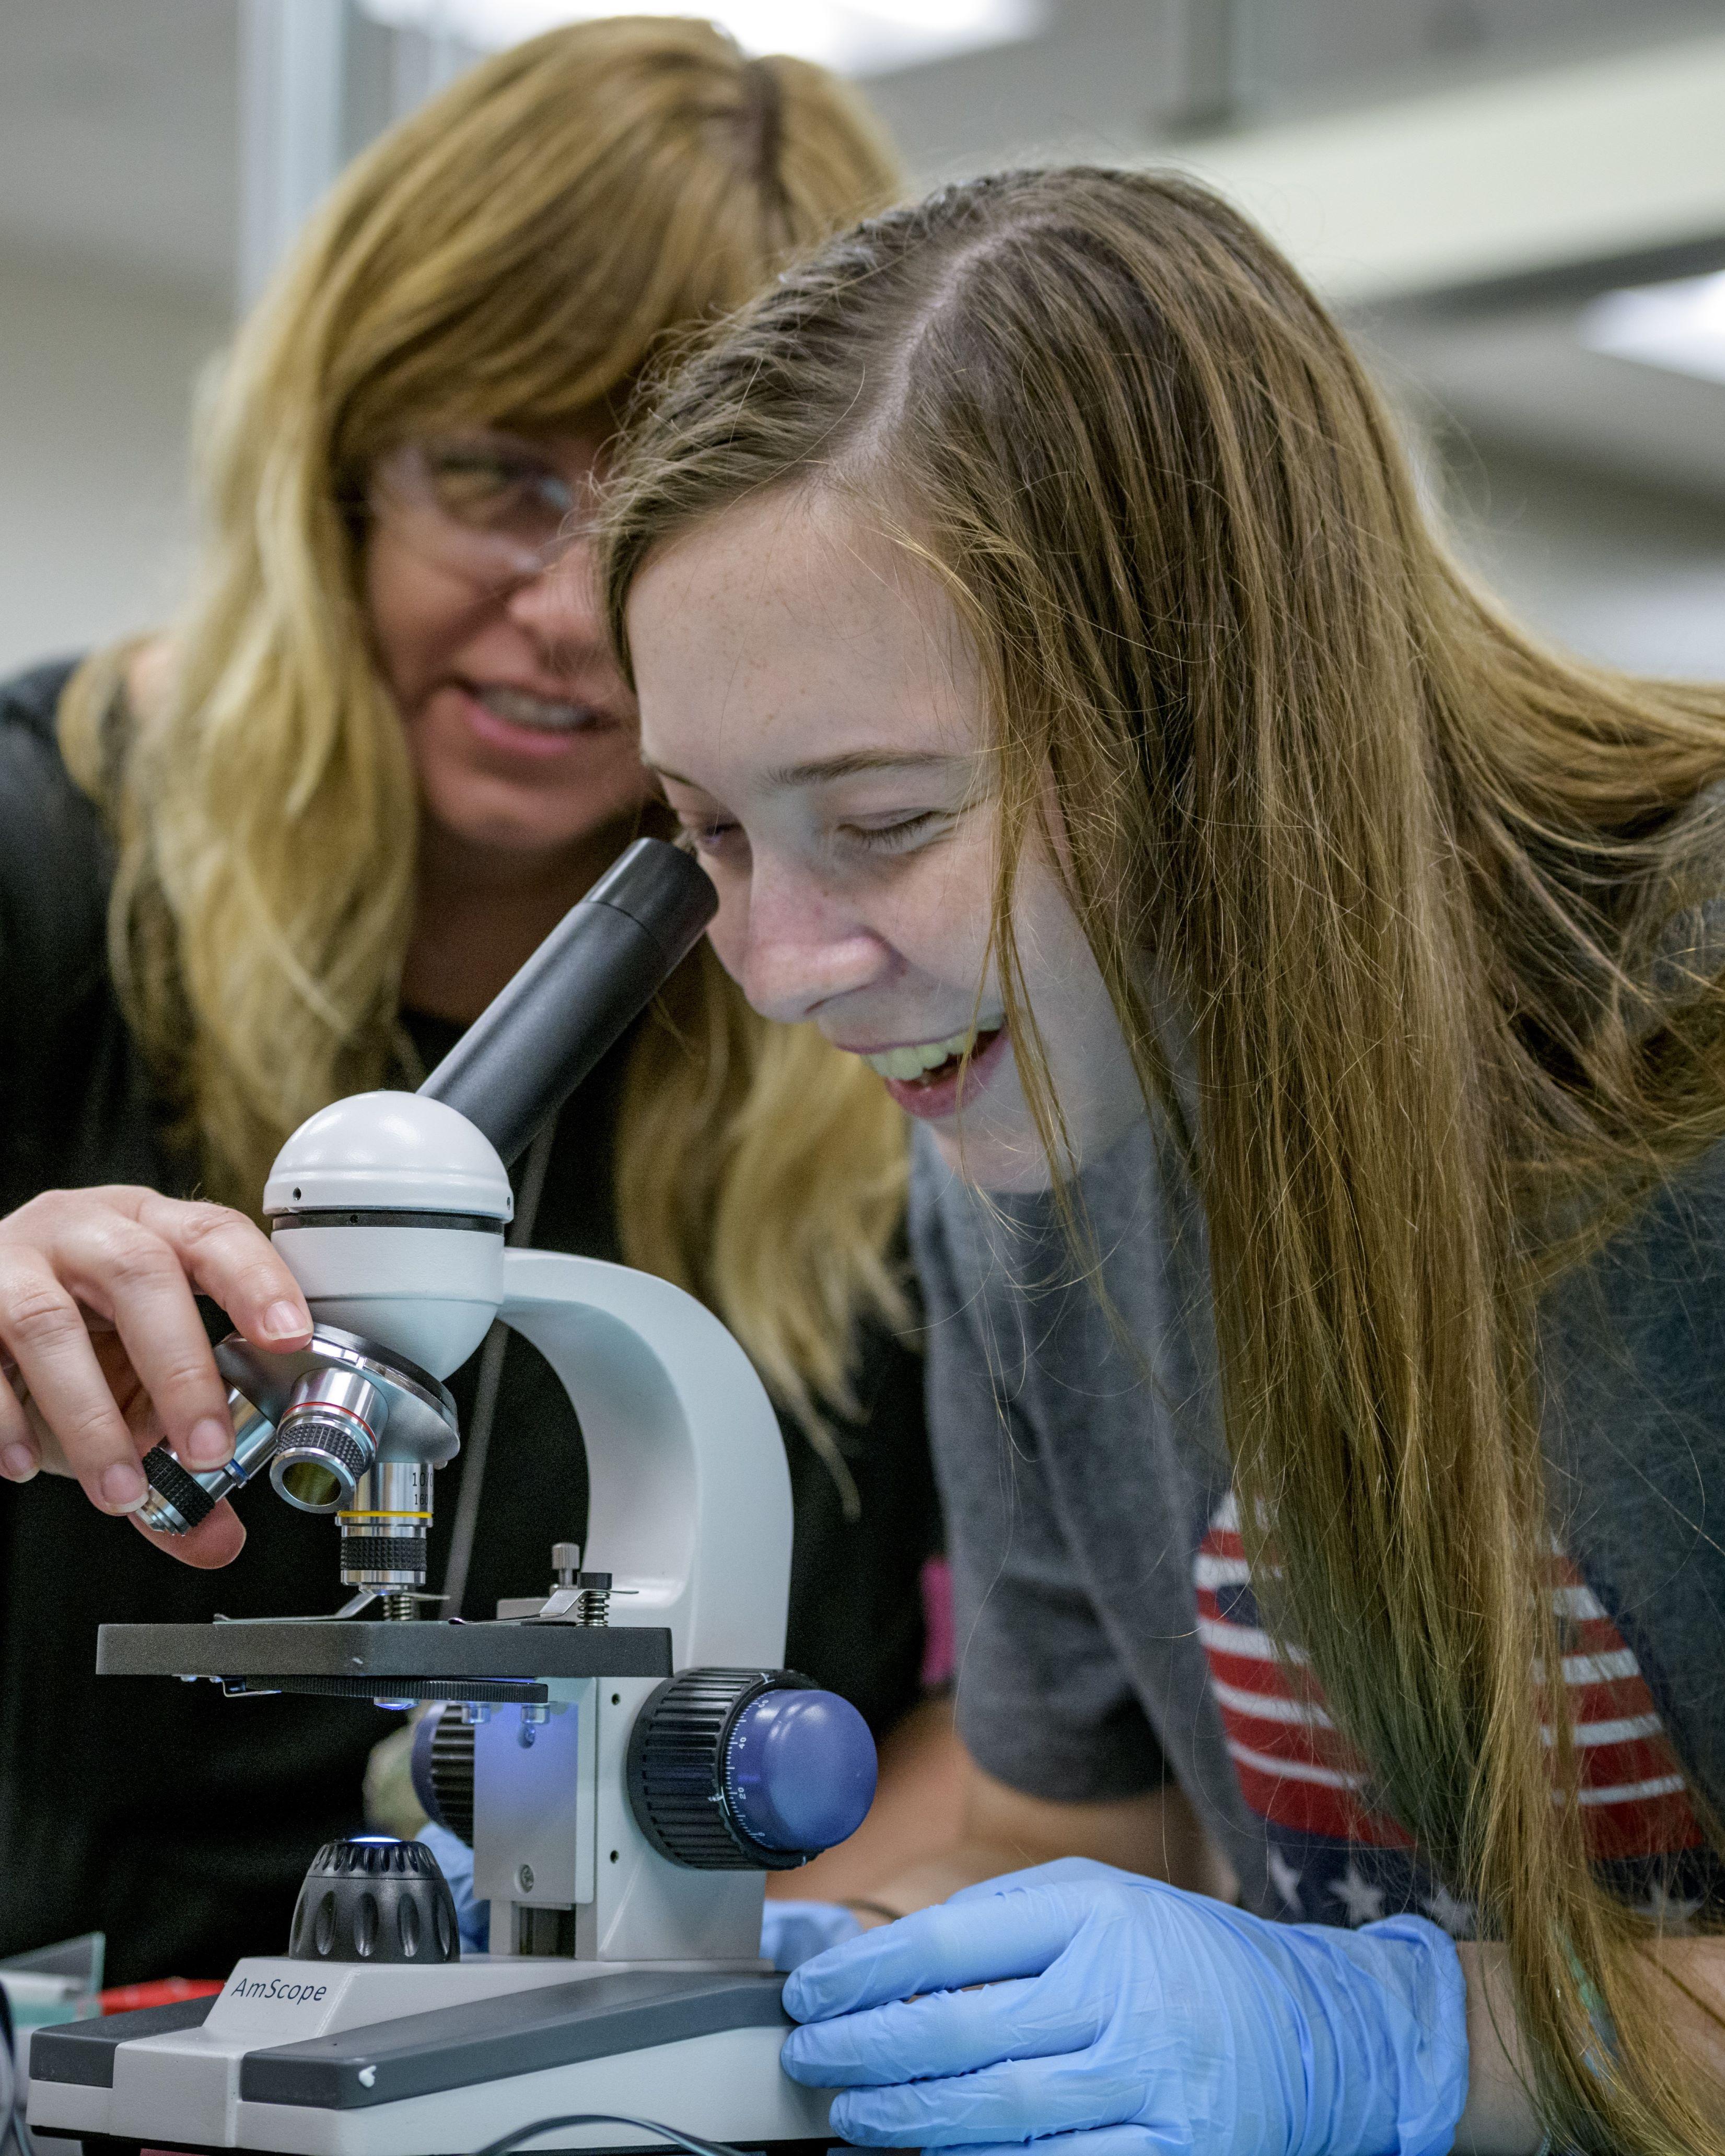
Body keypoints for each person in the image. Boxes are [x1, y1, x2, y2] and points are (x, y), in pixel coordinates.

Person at [600, 167, 1725, 2154]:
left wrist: (1403, 2043)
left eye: (882, 819)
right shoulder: (1024, 1140)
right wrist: (762, 1994)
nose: (777, 967)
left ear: (1223, 712)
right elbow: (1066, 1846)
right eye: (711, 834)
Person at [0, 19, 959, 1987]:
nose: (560, 607)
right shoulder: (40, 850)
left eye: (660, 519)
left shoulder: (897, 1020)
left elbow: (1028, 1738)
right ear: (334, 464)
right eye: (491, 476)